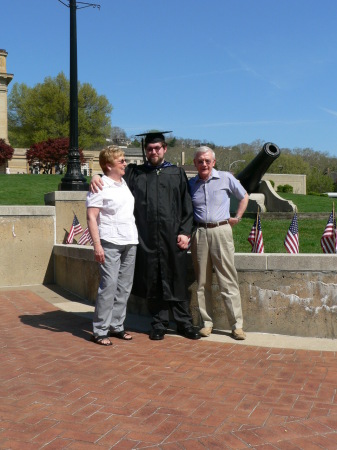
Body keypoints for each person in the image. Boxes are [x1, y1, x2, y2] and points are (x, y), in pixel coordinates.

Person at [90, 132, 200, 341]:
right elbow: (109, 175)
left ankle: (185, 324)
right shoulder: (134, 173)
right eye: (150, 148)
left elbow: (187, 205)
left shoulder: (176, 173)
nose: (153, 151)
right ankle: (159, 324)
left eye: (157, 148)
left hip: (172, 238)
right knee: (154, 281)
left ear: (165, 149)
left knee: (177, 280)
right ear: (146, 151)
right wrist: (94, 176)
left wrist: (186, 232)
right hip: (145, 238)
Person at [189, 146, 249, 339]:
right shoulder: (191, 184)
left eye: (207, 161)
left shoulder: (225, 178)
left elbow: (244, 196)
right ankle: (206, 323)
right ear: (195, 163)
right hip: (199, 232)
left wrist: (237, 217)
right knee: (202, 282)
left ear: (214, 162)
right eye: (200, 161)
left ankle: (236, 325)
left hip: (221, 231)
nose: (204, 164)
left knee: (227, 279)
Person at [87, 146, 138, 346]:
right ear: (109, 165)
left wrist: (95, 173)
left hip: (130, 240)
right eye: (121, 161)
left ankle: (116, 326)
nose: (125, 163)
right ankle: (100, 330)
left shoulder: (124, 182)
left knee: (124, 287)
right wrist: (97, 246)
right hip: (109, 242)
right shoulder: (100, 186)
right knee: (108, 286)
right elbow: (91, 217)